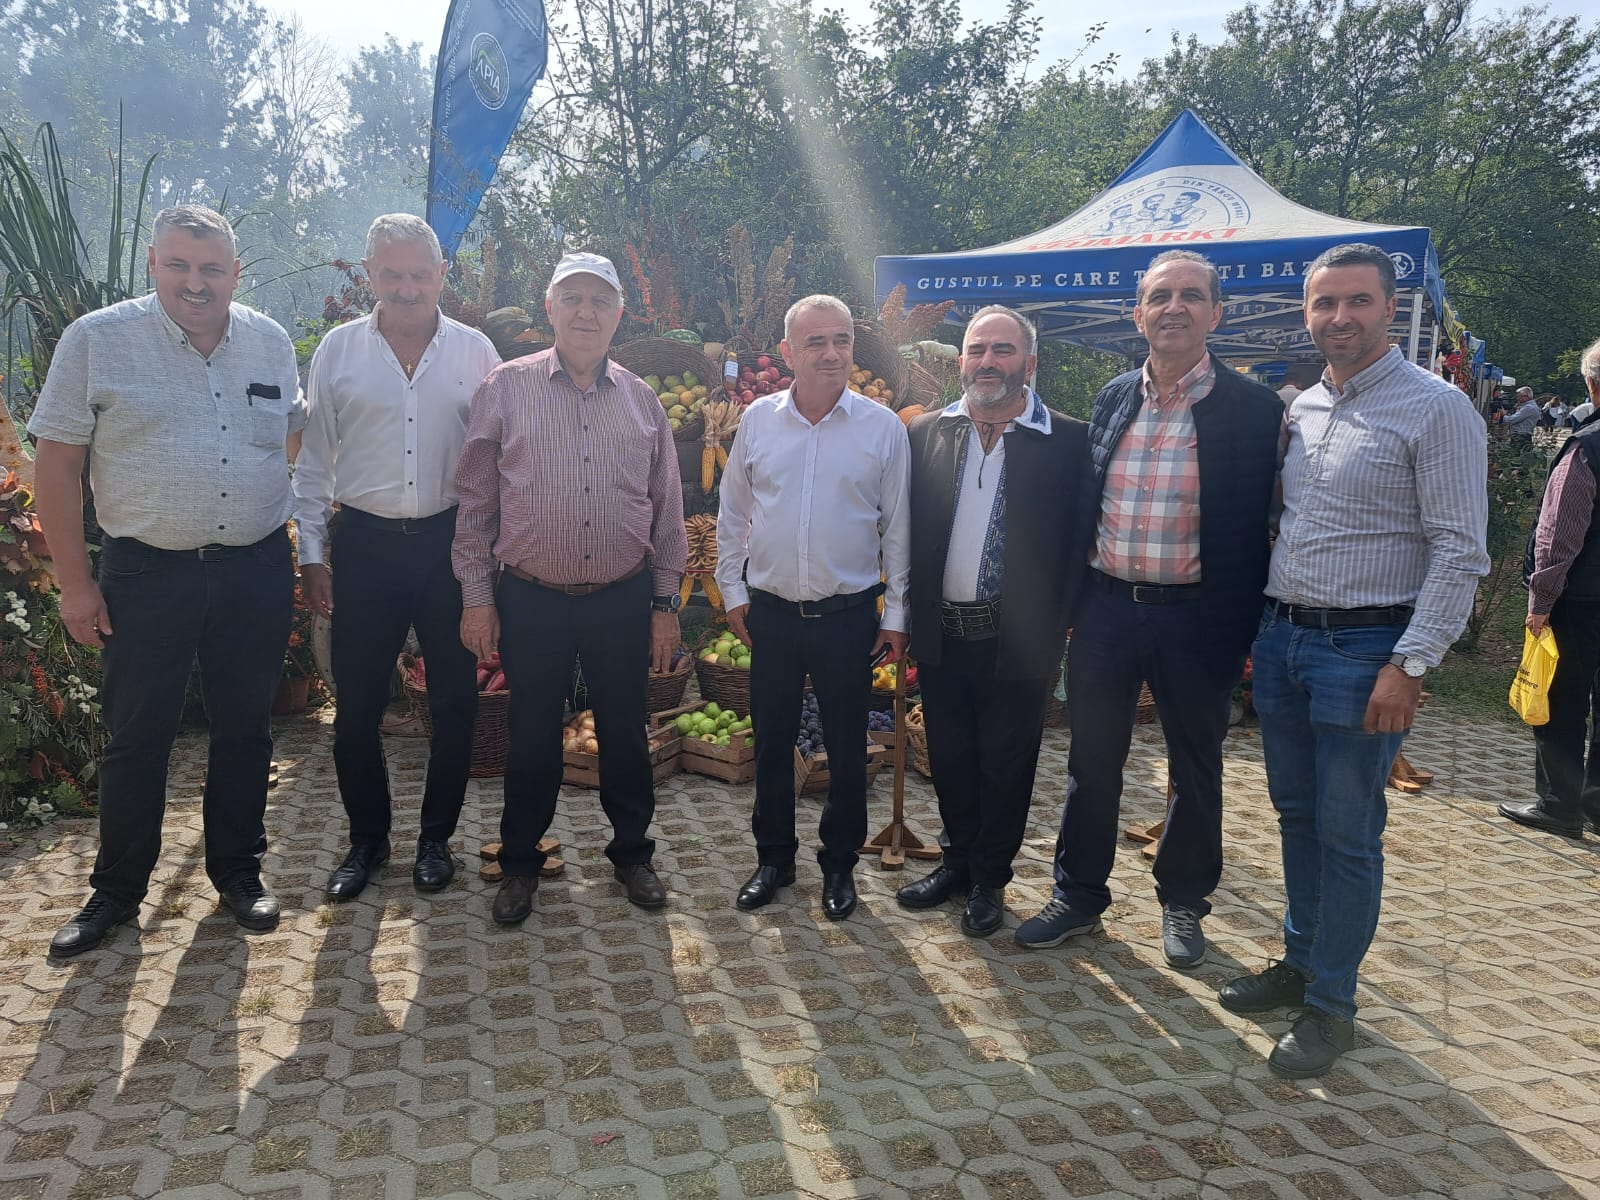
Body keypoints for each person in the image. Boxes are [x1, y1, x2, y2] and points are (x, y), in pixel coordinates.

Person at [1221, 243, 1488, 1078]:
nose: (1339, 317)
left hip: (1366, 648)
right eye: (1324, 303)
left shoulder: (1437, 408)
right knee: (1296, 817)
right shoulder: (1302, 407)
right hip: (1285, 639)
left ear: (1389, 308)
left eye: (1357, 301)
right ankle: (1300, 962)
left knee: (1348, 833)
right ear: (1307, 312)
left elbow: (1461, 550)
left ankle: (1332, 1003)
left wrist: (1412, 663)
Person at [28, 205, 304, 957]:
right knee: (137, 736)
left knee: (246, 730)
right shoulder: (98, 339)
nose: (195, 282)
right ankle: (116, 894)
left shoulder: (270, 340)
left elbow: (291, 434)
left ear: (235, 273)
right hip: (147, 573)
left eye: (212, 268)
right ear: (153, 264)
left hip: (253, 569)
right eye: (178, 264)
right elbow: (56, 464)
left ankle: (238, 874)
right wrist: (75, 584)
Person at [1014, 250, 1282, 969]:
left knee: (1195, 767)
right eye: (1160, 296)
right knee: (1092, 762)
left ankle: (1184, 901)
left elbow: (1269, 519)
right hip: (1106, 610)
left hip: (1199, 618)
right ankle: (1078, 895)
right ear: (1138, 315)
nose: (1174, 308)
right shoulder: (1111, 399)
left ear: (1216, 313)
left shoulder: (1256, 410)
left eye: (1191, 295)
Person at [452, 251, 687, 924]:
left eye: (600, 301)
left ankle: (633, 854)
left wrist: (665, 603)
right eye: (573, 299)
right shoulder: (506, 387)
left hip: (620, 596)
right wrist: (477, 597)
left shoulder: (641, 400)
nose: (586, 312)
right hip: (532, 598)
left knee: (625, 733)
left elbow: (667, 509)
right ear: (550, 308)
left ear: (619, 314)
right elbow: (475, 502)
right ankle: (520, 862)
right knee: (530, 736)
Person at [293, 214, 502, 900]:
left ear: (442, 274)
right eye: (391, 274)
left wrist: (493, 562)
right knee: (356, 706)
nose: (406, 288)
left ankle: (436, 840)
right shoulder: (338, 351)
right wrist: (313, 554)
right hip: (365, 545)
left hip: (451, 546)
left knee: (454, 703)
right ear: (369, 275)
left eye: (419, 274)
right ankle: (367, 841)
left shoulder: (477, 353)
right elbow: (315, 460)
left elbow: (500, 461)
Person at [894, 306, 1092, 936]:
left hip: (1020, 638)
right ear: (961, 361)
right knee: (950, 756)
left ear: (1029, 363)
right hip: (942, 630)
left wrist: (1061, 622)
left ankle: (989, 879)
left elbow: (1081, 540)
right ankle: (956, 862)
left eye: (1002, 350)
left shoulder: (1068, 440)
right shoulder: (926, 432)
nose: (988, 362)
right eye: (977, 350)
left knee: (1007, 762)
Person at [716, 295, 911, 921]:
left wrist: (897, 613)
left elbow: (898, 529)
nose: (831, 353)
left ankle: (839, 865)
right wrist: (732, 591)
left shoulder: (882, 428)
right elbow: (733, 511)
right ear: (787, 352)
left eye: (841, 340)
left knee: (847, 747)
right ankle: (773, 859)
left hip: (848, 617)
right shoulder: (758, 421)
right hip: (772, 615)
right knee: (772, 741)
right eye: (815, 342)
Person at [1501, 335, 1600, 840]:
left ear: (1591, 385)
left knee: (1561, 703)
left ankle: (1561, 805)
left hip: (1580, 600)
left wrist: (1540, 601)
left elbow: (1558, 533)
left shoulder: (1587, 446)